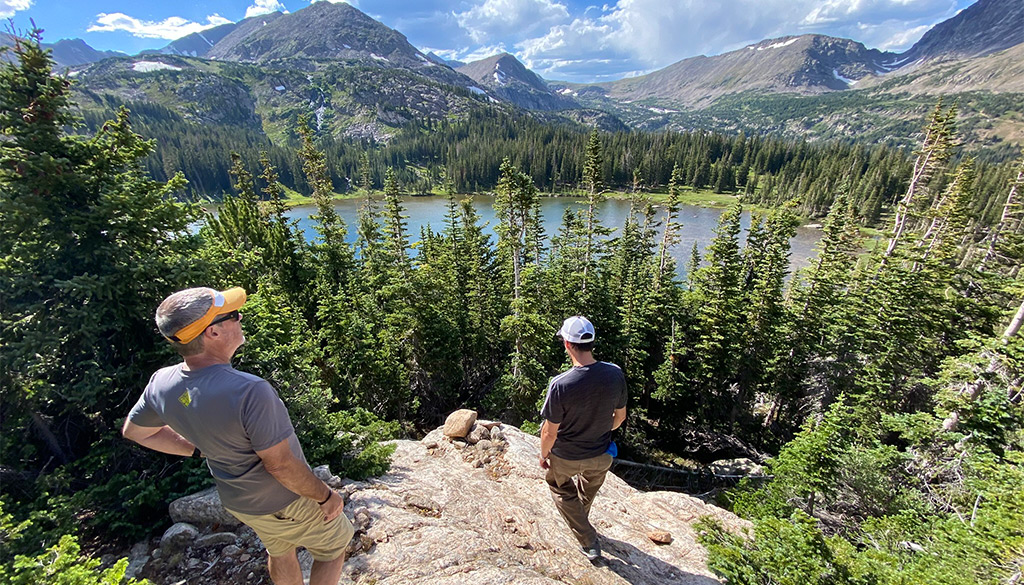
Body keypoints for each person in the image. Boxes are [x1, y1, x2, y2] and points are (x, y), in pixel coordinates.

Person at [122, 287, 353, 585]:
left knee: (280, 549)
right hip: (285, 500)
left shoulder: (161, 383)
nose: (240, 316)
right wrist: (326, 496)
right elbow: (280, 465)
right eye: (232, 315)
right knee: (333, 548)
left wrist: (197, 449)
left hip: (238, 500)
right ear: (213, 333)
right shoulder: (249, 390)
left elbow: (136, 431)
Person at [538, 315, 627, 561]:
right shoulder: (615, 374)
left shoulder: (560, 384)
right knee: (587, 491)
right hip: (601, 455)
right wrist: (598, 429)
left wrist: (544, 455)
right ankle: (581, 519)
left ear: (567, 344)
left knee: (558, 486)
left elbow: (549, 432)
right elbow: (619, 418)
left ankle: (588, 540)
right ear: (592, 342)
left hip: (566, 457)